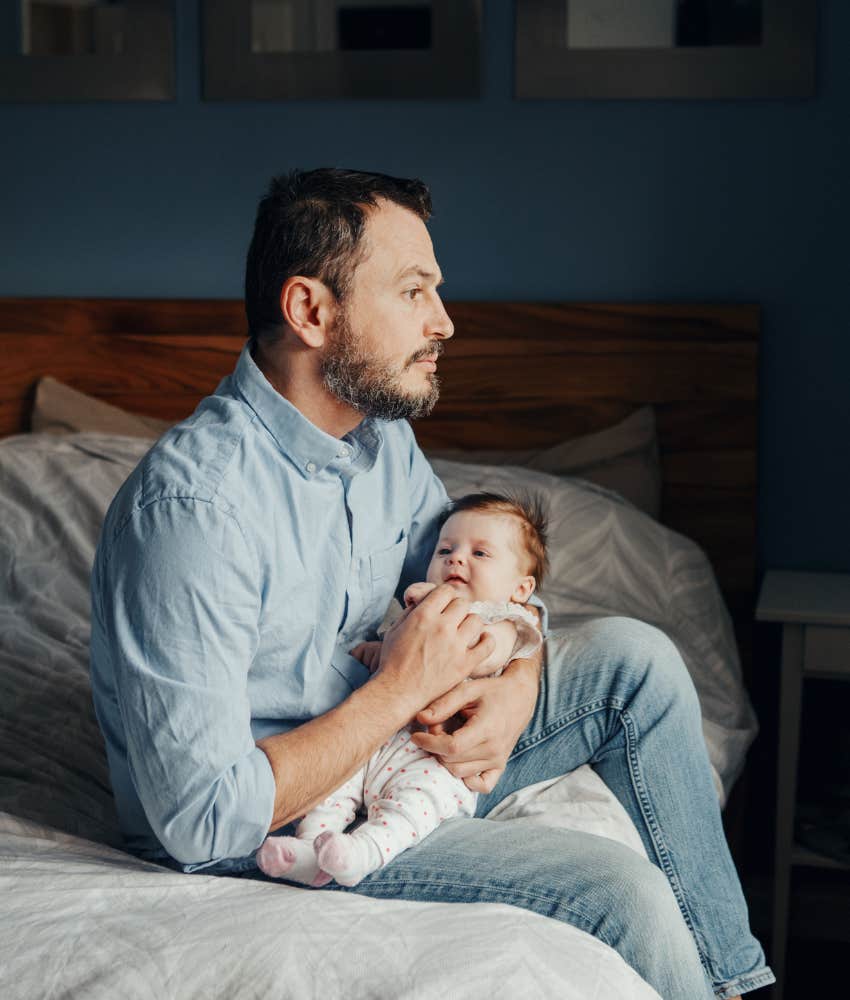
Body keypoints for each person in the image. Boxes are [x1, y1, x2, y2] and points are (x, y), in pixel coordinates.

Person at [89, 167, 772, 999]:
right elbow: (198, 820)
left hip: (399, 747)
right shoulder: (192, 510)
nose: (443, 322)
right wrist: (396, 694)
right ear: (311, 311)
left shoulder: (381, 442)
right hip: (282, 818)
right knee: (619, 890)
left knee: (637, 659)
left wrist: (518, 681)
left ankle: (741, 984)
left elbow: (468, 592)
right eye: (413, 292)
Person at [256, 492, 546, 887]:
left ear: (521, 588)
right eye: (446, 548)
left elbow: (483, 655)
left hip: (434, 758)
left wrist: (432, 607)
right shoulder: (419, 612)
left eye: (480, 554)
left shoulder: (508, 622)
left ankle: (362, 853)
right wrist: (377, 652)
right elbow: (402, 659)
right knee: (332, 786)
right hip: (376, 739)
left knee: (412, 809)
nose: (456, 558)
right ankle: (308, 853)